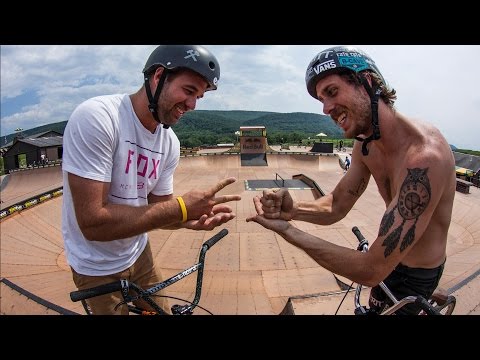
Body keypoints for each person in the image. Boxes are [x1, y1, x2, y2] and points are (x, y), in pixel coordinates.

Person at [247, 46, 456, 315]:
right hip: (390, 263)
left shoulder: (424, 159)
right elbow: (336, 204)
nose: (326, 108)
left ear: (367, 82)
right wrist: (294, 210)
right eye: (321, 99)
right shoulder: (365, 144)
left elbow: (371, 269)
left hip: (416, 274)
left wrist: (287, 231)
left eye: (332, 92)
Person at [62, 45, 241, 315]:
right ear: (158, 76)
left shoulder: (168, 143)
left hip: (139, 253)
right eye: (189, 91)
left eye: (199, 97)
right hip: (95, 265)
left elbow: (157, 210)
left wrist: (187, 220)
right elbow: (93, 224)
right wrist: (181, 207)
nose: (192, 105)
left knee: (161, 312)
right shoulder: (99, 117)